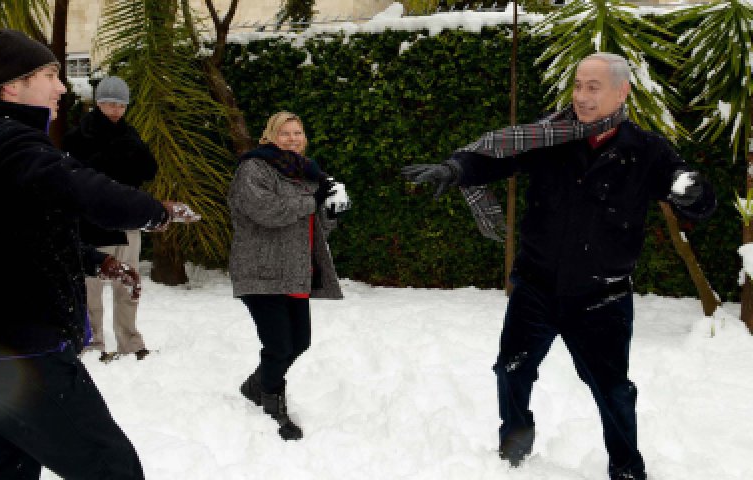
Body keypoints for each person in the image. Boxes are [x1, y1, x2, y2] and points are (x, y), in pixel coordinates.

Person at [401, 52, 716, 480]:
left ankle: (626, 469)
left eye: (593, 87)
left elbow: (692, 194)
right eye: (578, 86)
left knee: (613, 391)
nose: (582, 97)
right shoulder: (551, 138)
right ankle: (515, 441)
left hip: (601, 296)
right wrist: (455, 169)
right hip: (536, 286)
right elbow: (495, 158)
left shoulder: (646, 150)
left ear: (622, 92)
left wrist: (693, 193)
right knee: (511, 370)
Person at [0, 29, 194, 479]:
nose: (62, 87)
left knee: (13, 469)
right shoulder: (9, 142)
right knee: (112, 470)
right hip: (21, 351)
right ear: (12, 86)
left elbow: (11, 237)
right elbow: (77, 185)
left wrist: (91, 259)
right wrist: (153, 211)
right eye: (49, 75)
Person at [228, 111, 350, 440]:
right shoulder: (253, 168)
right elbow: (268, 211)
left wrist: (331, 211)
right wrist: (314, 200)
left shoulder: (308, 173)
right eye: (285, 133)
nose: (293, 138)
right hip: (261, 269)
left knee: (300, 341)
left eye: (297, 133)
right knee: (279, 344)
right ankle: (273, 404)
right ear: (269, 136)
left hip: (296, 270)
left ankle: (256, 385)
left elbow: (313, 225)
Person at [63, 76, 158, 362]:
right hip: (92, 221)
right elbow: (78, 177)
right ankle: (94, 342)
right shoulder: (78, 136)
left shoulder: (131, 134)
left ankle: (129, 341)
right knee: (92, 284)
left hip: (127, 219)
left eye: (120, 105)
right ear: (98, 103)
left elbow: (148, 169)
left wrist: (131, 150)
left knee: (128, 280)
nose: (115, 110)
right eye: (108, 103)